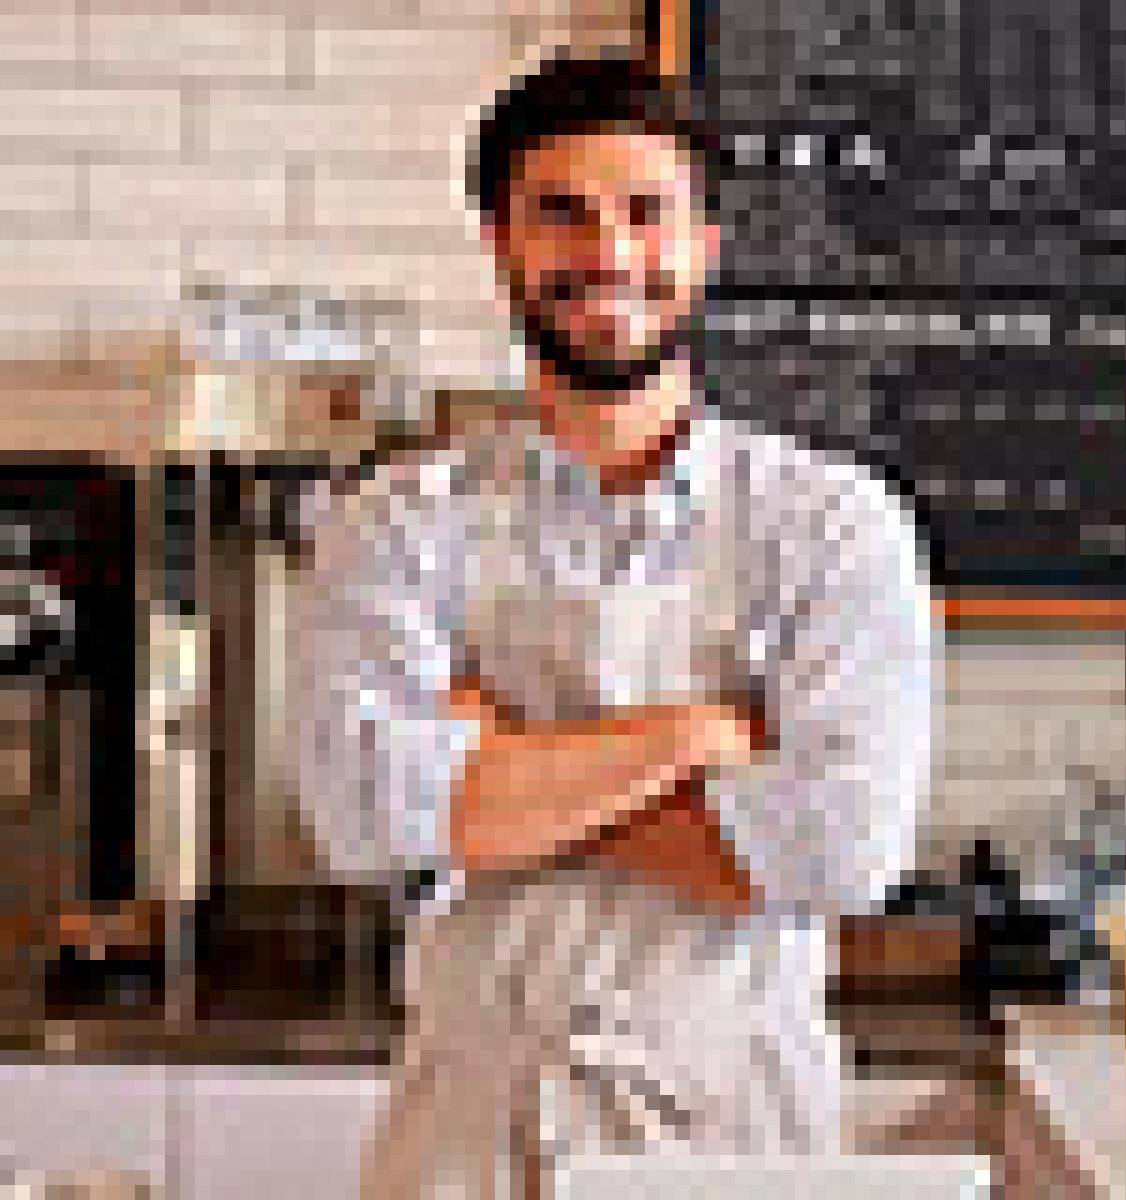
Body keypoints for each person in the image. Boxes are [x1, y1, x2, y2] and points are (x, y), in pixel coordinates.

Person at [288, 53, 932, 1196]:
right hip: (466, 1139)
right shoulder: (396, 522)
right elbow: (364, 810)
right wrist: (691, 742)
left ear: (708, 245)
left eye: (647, 213)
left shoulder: (832, 524)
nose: (609, 255)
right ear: (500, 243)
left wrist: (493, 778)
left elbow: (843, 847)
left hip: (733, 1139)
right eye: (562, 214)